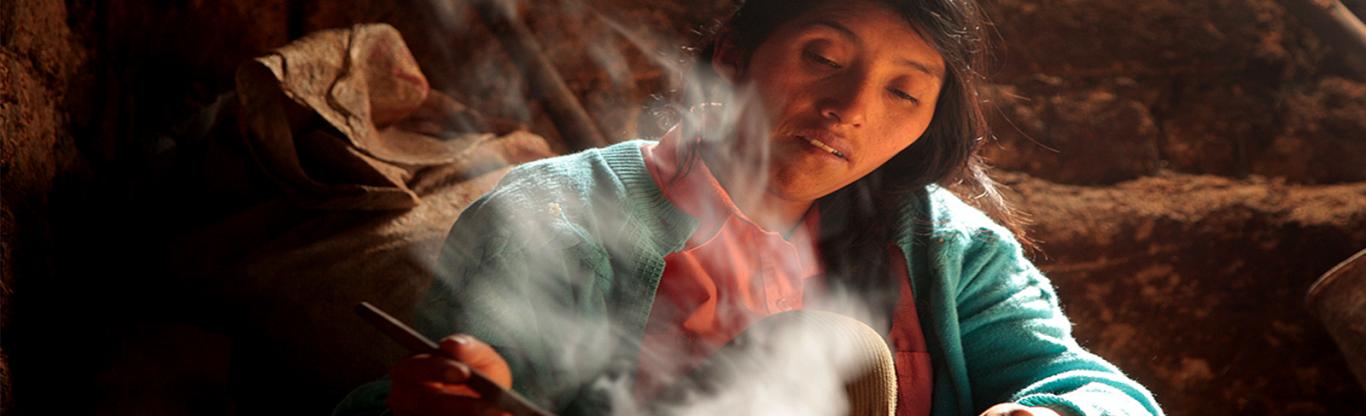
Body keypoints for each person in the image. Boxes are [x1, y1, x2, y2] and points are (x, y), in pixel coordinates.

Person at [335, 0, 1164, 415]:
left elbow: (1104, 394)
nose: (852, 108)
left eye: (904, 92)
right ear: (732, 57)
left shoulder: (950, 252)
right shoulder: (558, 216)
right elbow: (446, 385)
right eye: (823, 58)